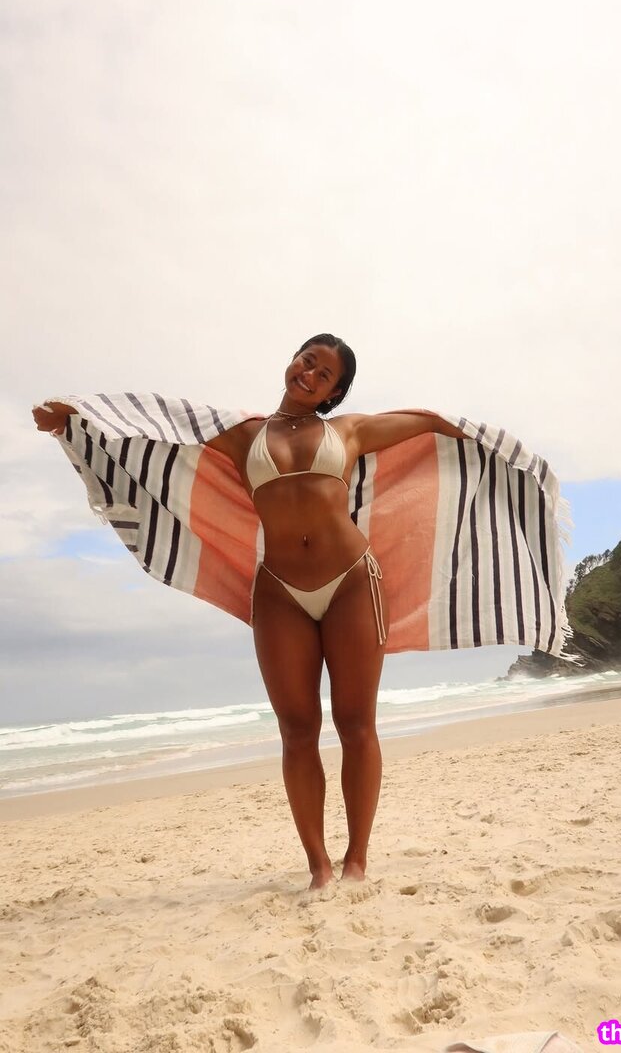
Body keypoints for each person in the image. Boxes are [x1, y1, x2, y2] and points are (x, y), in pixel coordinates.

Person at [33, 334, 467, 890]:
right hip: (280, 592)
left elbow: (424, 422)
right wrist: (76, 417)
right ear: (293, 361)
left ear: (334, 392)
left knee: (356, 724)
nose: (310, 375)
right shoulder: (244, 435)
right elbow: (159, 421)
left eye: (325, 375)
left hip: (352, 583)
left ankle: (356, 860)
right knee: (297, 730)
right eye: (307, 361)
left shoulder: (349, 431)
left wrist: (480, 437)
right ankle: (319, 868)